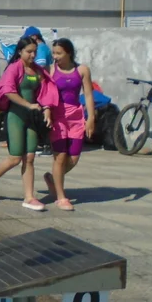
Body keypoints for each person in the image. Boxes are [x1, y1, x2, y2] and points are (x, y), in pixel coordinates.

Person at [0, 37, 58, 211]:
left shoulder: (38, 71)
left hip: (31, 119)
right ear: (20, 52)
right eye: (29, 52)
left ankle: (29, 197)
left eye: (34, 52)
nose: (32, 55)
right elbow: (8, 92)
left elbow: (46, 92)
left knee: (30, 158)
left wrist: (46, 109)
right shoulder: (14, 68)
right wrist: (29, 105)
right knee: (15, 158)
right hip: (15, 116)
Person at [43, 39, 96, 211]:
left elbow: (88, 95)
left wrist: (91, 118)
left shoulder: (82, 70)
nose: (55, 56)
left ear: (69, 53)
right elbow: (45, 93)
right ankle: (61, 197)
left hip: (76, 116)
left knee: (73, 158)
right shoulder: (51, 70)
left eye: (59, 53)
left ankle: (53, 179)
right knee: (60, 156)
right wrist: (47, 112)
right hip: (57, 117)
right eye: (54, 53)